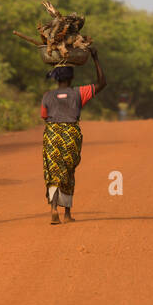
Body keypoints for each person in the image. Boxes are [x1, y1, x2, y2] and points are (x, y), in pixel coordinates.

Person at [40, 47, 106, 224]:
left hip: (52, 133)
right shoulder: (79, 92)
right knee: (68, 171)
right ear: (71, 78)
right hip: (71, 133)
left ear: (56, 79)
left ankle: (54, 209)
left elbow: (44, 116)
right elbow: (102, 83)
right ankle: (67, 214)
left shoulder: (47, 96)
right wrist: (95, 59)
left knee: (54, 171)